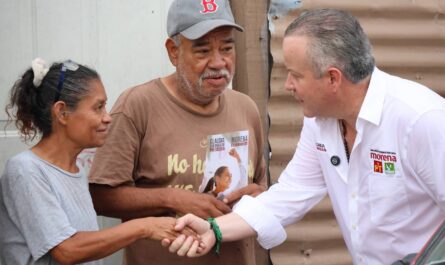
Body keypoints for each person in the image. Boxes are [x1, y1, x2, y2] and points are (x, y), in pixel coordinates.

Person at [162, 8, 445, 265]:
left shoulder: (421, 120)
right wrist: (215, 230)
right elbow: (292, 193)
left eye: (295, 75)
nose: (287, 86)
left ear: (333, 78)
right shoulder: (321, 120)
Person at [87, 0, 267, 264]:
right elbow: (100, 196)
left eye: (227, 48)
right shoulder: (137, 106)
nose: (218, 62)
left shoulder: (246, 108)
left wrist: (256, 198)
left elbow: (262, 187)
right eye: (203, 50)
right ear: (173, 51)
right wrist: (173, 199)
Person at [0, 58, 191, 265]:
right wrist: (145, 227)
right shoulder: (25, 171)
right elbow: (67, 250)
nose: (107, 117)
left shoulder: (77, 168)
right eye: (98, 107)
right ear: (62, 113)